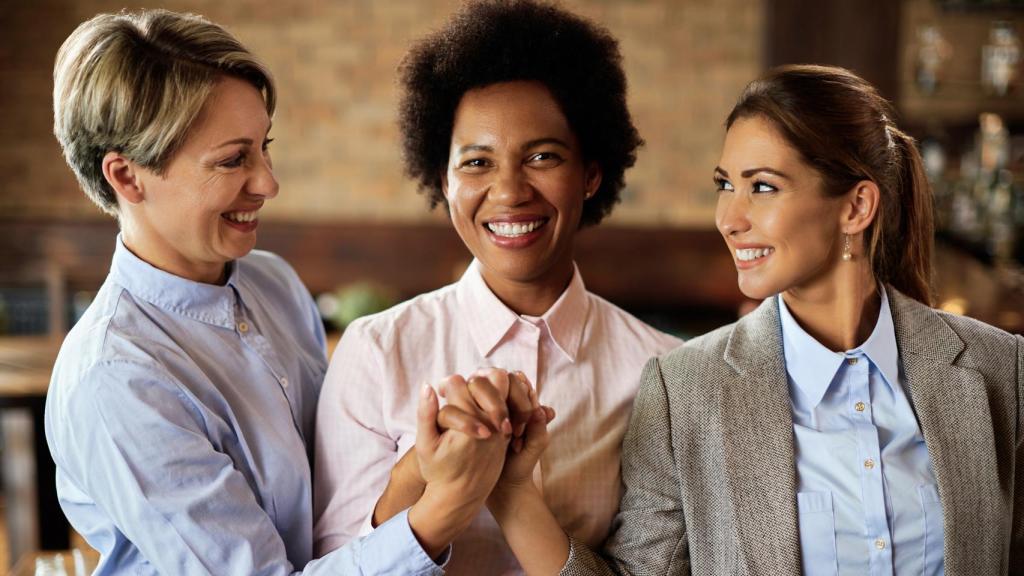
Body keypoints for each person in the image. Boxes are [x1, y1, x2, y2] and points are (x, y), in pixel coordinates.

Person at [476, 64, 1024, 575]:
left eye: (762, 187)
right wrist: (514, 492)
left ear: (856, 207)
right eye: (725, 185)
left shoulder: (1000, 369)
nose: (729, 218)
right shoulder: (684, 390)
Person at [45, 10, 511, 574]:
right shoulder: (116, 380)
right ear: (126, 176)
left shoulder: (273, 282)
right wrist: (444, 510)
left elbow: (333, 499)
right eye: (232, 160)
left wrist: (420, 467)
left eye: (264, 146)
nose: (268, 182)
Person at [311, 1, 681, 573]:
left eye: (542, 156)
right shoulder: (377, 350)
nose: (509, 192)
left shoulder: (663, 371)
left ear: (590, 174)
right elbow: (334, 566)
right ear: (443, 179)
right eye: (477, 163)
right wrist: (420, 470)